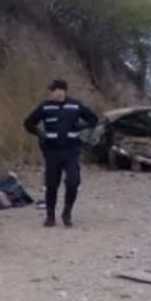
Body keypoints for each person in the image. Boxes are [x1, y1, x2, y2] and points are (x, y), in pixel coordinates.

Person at [23, 79, 99, 228]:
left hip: (71, 151)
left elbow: (93, 119)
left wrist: (81, 125)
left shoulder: (75, 105)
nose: (51, 93)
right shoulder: (45, 107)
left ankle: (67, 213)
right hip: (52, 151)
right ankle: (50, 216)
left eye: (53, 90)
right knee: (51, 184)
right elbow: (28, 123)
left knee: (73, 182)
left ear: (61, 91)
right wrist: (39, 133)